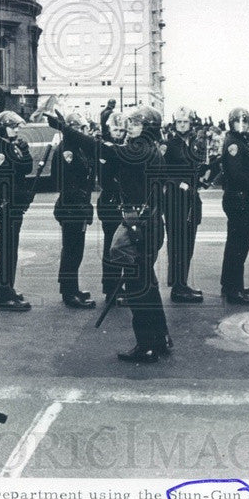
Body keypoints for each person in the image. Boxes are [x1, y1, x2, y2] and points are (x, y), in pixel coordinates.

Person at [48, 106, 171, 362]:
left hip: (140, 225)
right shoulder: (151, 149)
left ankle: (146, 346)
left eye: (136, 123)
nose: (130, 126)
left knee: (138, 286)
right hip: (150, 223)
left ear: (146, 126)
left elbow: (103, 149)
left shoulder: (139, 150)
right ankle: (160, 338)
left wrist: (65, 129)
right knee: (148, 283)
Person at [0, 110, 34, 311]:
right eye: (13, 127)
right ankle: (3, 295)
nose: (17, 130)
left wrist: (25, 151)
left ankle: (8, 289)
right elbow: (10, 173)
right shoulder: (1, 149)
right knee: (6, 251)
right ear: (3, 127)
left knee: (11, 251)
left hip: (12, 206)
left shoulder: (11, 146)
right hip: (5, 205)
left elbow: (26, 168)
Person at [219, 107, 249, 305]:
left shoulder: (244, 140)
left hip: (241, 197)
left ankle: (230, 282)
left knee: (236, 244)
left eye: (245, 121)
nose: (242, 125)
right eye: (238, 122)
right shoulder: (233, 144)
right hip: (238, 197)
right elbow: (236, 174)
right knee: (239, 245)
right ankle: (234, 290)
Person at [51, 112, 97, 309]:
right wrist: (80, 201)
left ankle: (71, 287)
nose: (85, 132)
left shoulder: (78, 148)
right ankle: (69, 292)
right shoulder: (66, 151)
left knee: (75, 250)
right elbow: (60, 181)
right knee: (71, 250)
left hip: (79, 206)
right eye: (81, 129)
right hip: (72, 207)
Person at [162, 107, 207, 304]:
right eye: (179, 122)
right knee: (177, 243)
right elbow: (163, 173)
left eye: (185, 122)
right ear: (175, 124)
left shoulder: (194, 144)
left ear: (191, 124)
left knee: (188, 243)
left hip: (191, 199)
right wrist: (181, 184)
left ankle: (183, 283)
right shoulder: (170, 145)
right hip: (175, 199)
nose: (182, 125)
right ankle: (178, 287)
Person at [97, 110, 128, 300]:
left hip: (120, 202)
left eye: (121, 130)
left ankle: (115, 286)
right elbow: (105, 179)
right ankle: (111, 287)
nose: (118, 133)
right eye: (115, 129)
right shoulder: (105, 148)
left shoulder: (122, 147)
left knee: (120, 246)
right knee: (111, 246)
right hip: (111, 202)